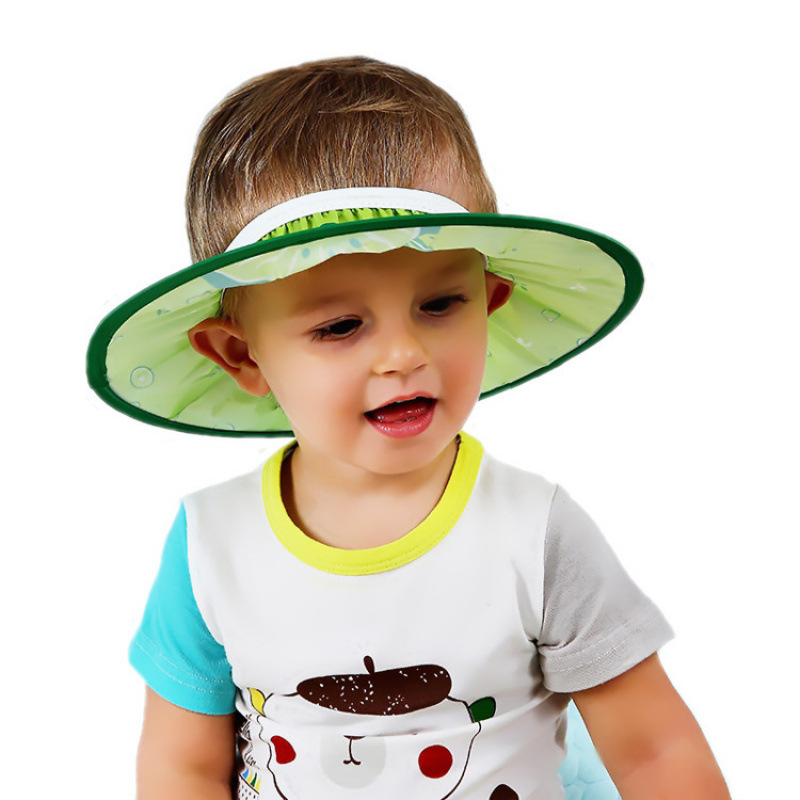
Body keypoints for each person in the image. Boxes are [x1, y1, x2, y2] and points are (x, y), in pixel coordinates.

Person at [87, 57, 730, 799]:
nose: (402, 354)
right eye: (340, 326)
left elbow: (654, 751)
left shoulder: (535, 533)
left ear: (489, 299)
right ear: (241, 355)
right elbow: (184, 767)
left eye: (440, 304)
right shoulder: (212, 546)